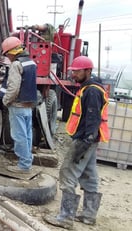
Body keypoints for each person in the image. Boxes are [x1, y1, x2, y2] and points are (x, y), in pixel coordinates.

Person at [44, 56, 110, 229]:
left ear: (88, 71)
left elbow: (93, 117)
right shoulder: (89, 87)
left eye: (77, 71)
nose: (74, 74)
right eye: (73, 70)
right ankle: (89, 216)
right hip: (89, 138)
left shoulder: (92, 91)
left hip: (85, 139)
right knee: (89, 175)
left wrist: (85, 141)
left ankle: (65, 217)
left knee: (68, 173)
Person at [0, 36, 37, 174]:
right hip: (28, 106)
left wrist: (5, 100)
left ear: (12, 52)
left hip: (17, 106)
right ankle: (27, 161)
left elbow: (13, 88)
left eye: (7, 54)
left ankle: (23, 165)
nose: (7, 57)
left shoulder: (16, 64)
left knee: (18, 135)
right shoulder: (31, 63)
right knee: (27, 135)